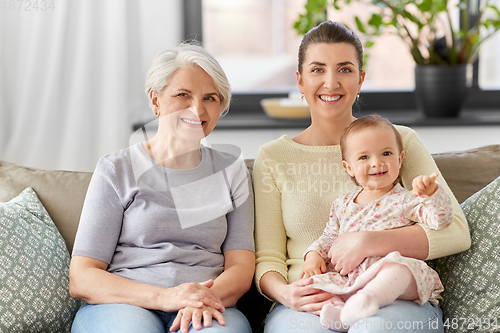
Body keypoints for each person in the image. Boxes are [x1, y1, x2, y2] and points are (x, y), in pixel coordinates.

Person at [253, 20, 470, 333]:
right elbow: (268, 257)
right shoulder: (273, 158)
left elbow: (456, 231)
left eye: (344, 69)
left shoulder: (397, 142)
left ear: (360, 79)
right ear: (300, 81)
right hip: (314, 298)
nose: (331, 82)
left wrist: (368, 242)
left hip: (391, 296)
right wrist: (286, 294)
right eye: (317, 70)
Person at [69, 42, 255, 333]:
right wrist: (166, 297)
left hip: (207, 304)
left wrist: (203, 298)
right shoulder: (116, 169)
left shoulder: (233, 172)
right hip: (125, 304)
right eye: (183, 95)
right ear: (156, 101)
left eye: (211, 98)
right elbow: (82, 277)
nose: (198, 108)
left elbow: (241, 266)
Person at [301, 115, 453, 332]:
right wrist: (313, 255)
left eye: (386, 153)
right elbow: (328, 238)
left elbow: (441, 220)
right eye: (364, 157)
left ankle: (370, 298)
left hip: (394, 281)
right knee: (313, 285)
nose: (376, 162)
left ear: (400, 159)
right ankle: (340, 313)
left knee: (398, 268)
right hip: (352, 279)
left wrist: (431, 195)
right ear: (349, 167)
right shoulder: (342, 204)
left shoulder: (407, 199)